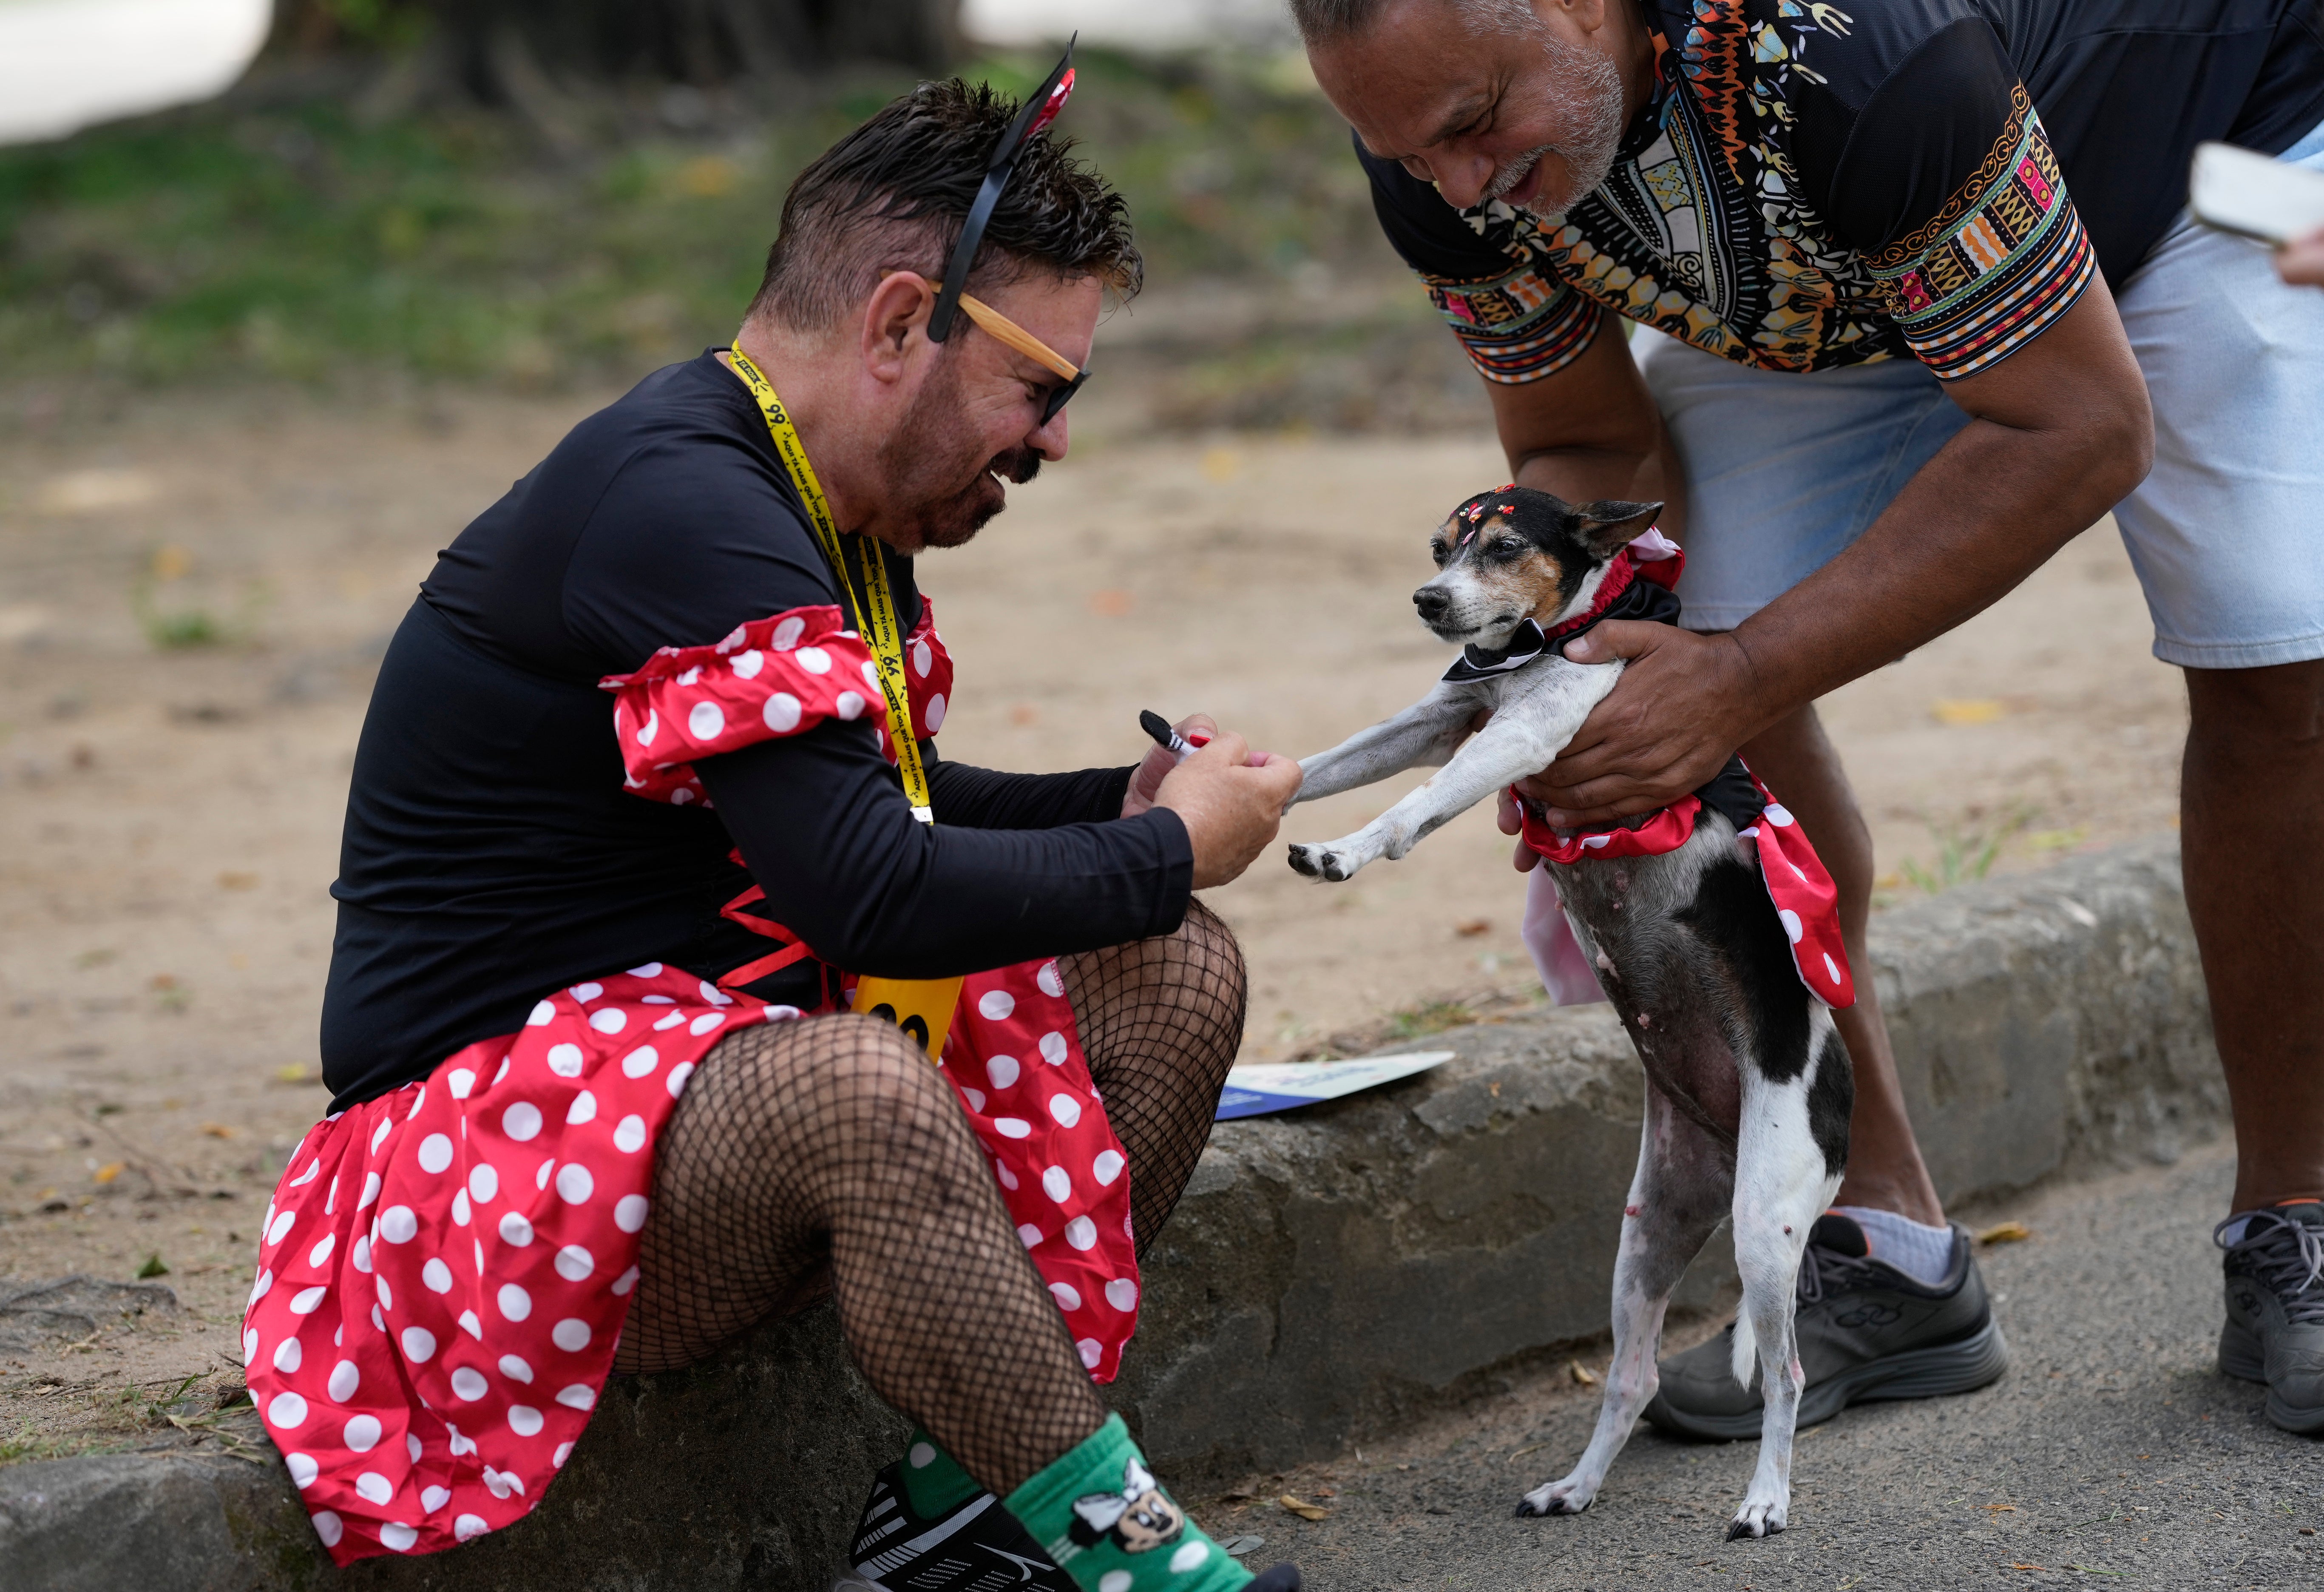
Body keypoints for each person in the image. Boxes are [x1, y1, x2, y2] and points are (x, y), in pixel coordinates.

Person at [240, 70, 1308, 1592]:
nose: (1053, 443)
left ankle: (970, 1507)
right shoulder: (681, 499)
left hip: (669, 1102)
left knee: (1172, 965)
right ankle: (1125, 1550)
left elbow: (888, 807)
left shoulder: (806, 501)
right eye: (1043, 391)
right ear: (895, 324)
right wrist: (1168, 845)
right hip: (470, 1176)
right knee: (864, 1079)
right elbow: (875, 898)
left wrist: (1124, 812)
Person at [1293, 0, 2324, 1439]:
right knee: (1689, 635)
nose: (1452, 183)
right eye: (1403, 150)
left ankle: (2296, 1220)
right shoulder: (1431, 140)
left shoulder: (1850, 54)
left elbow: (2077, 424)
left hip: (2191, 163)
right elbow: (1583, 448)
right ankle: (1885, 1242)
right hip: (1842, 260)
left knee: (2279, 649)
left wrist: (1746, 672)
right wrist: (1606, 658)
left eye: (1473, 127)